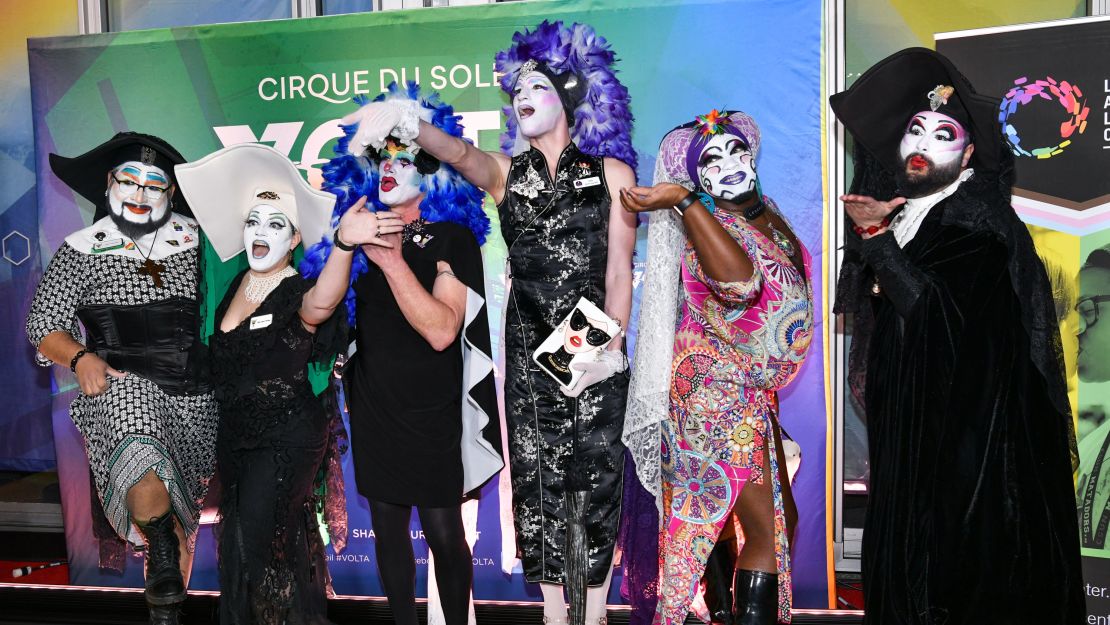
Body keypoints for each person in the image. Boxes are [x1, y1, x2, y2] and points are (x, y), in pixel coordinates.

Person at [340, 21, 637, 625]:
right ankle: (557, 616)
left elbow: (619, 276)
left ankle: (594, 612)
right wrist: (405, 121)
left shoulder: (613, 174)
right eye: (515, 87)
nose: (521, 94)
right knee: (538, 493)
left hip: (594, 355)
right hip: (530, 359)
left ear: (571, 91)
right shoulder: (505, 174)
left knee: (592, 490)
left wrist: (601, 348)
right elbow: (455, 153)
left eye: (536, 83)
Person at [829, 47, 1084, 624]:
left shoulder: (980, 228)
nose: (921, 144)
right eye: (914, 129)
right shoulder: (908, 218)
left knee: (955, 583)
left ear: (968, 154)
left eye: (942, 132)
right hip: (915, 442)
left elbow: (935, 312)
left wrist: (874, 240)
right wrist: (880, 238)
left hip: (969, 465)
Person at [302, 82, 502, 625]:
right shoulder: (354, 232)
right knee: (388, 528)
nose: (389, 166)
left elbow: (441, 331)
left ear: (430, 169)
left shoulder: (451, 238)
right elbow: (318, 312)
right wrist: (347, 243)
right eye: (380, 156)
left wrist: (389, 259)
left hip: (432, 408)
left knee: (443, 531)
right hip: (373, 403)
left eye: (403, 154)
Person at [622, 111, 813, 625]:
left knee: (776, 520)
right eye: (712, 159)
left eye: (736, 150)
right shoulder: (708, 222)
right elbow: (740, 286)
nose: (729, 164)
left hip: (748, 393)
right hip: (716, 397)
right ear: (696, 178)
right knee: (767, 530)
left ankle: (727, 610)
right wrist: (684, 204)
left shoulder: (763, 210)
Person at [175, 142, 378, 624]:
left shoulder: (297, 288)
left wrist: (344, 245)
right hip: (238, 441)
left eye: (275, 224)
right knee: (244, 549)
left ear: (293, 240)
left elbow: (322, 305)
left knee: (267, 546)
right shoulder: (237, 284)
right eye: (252, 221)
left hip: (286, 438)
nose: (259, 232)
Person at [26, 132, 216, 625]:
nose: (139, 191)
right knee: (137, 430)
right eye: (128, 180)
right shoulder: (81, 249)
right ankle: (156, 540)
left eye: (155, 183)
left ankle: (166, 599)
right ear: (109, 184)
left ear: (171, 193)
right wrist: (79, 357)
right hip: (117, 385)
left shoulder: (202, 241)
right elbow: (43, 323)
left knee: (178, 529)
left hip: (196, 396)